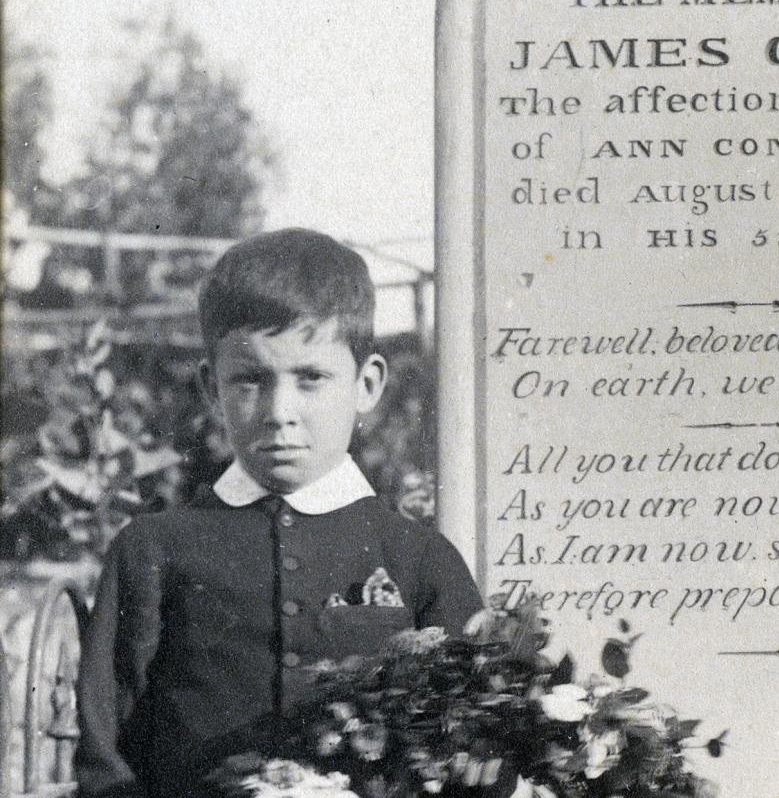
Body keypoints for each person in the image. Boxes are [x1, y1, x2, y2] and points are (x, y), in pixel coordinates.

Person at [75, 228, 483, 797]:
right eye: (249, 380)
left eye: (311, 378)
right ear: (211, 389)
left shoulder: (419, 560)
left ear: (366, 385)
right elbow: (103, 757)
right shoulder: (153, 549)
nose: (279, 411)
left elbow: (474, 747)